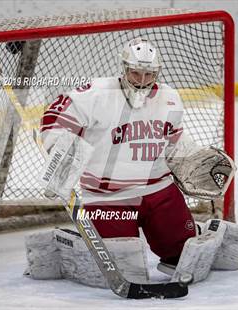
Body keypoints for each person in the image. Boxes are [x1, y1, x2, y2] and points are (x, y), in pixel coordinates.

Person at [40, 37, 196, 268]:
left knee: (182, 252)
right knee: (120, 260)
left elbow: (175, 139)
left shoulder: (170, 98)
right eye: (135, 73)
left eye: (149, 74)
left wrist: (193, 160)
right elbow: (54, 119)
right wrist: (61, 153)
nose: (142, 81)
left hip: (158, 190)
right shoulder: (96, 94)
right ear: (124, 69)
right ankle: (69, 247)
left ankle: (189, 233)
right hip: (108, 196)